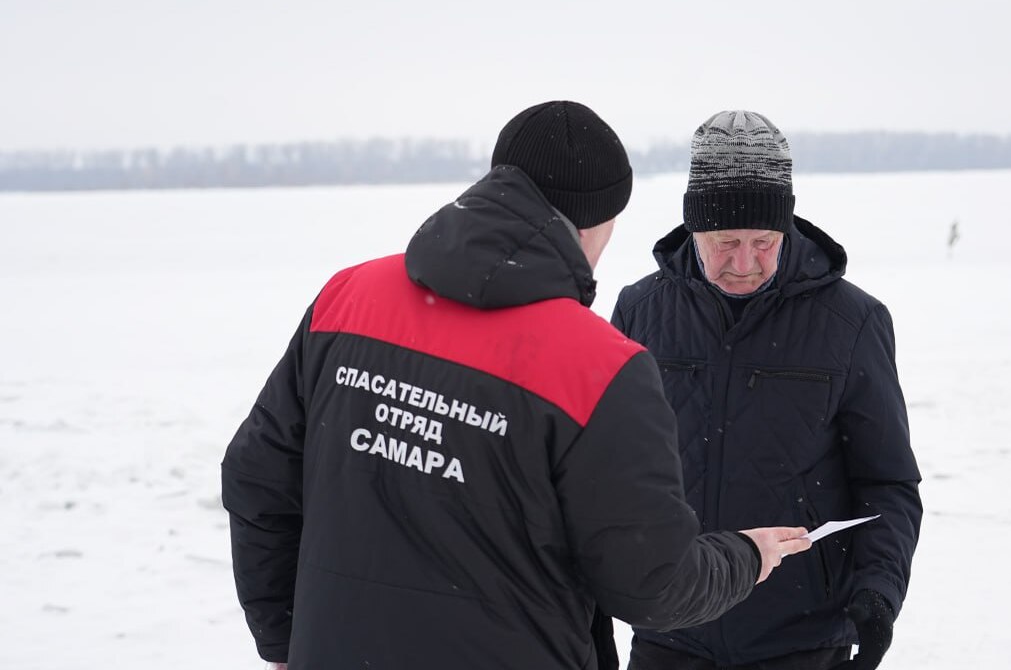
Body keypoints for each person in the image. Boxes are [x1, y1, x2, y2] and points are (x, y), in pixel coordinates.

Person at [221, 101, 812, 670]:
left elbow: (257, 480)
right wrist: (746, 555)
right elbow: (653, 583)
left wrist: (283, 634)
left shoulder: (347, 298)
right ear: (598, 221)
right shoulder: (598, 365)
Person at [611, 110, 923, 670]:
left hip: (800, 638)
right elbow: (608, 467)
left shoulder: (852, 322)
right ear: (693, 228)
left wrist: (878, 593)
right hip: (670, 631)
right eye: (726, 242)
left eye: (764, 240)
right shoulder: (641, 311)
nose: (746, 263)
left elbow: (887, 482)